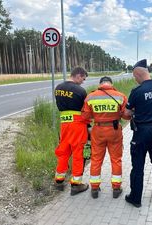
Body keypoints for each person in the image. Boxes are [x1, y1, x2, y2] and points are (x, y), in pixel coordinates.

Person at [123, 59, 152, 208]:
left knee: (138, 165)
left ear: (138, 73)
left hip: (142, 132)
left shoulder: (137, 91)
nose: (135, 79)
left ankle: (135, 198)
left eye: (135, 76)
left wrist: (133, 111)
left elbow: (127, 114)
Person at [82, 76, 129, 199]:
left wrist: (96, 117)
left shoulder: (91, 96)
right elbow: (126, 116)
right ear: (111, 84)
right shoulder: (120, 96)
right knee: (116, 159)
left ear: (100, 84)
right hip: (114, 131)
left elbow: (85, 116)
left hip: (97, 130)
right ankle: (116, 188)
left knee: (96, 159)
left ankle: (94, 188)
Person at [54, 67, 90, 196]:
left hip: (64, 124)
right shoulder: (80, 91)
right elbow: (85, 111)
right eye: (83, 79)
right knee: (78, 153)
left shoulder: (58, 88)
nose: (83, 82)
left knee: (63, 151)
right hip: (78, 125)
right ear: (78, 75)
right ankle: (76, 185)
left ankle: (59, 181)